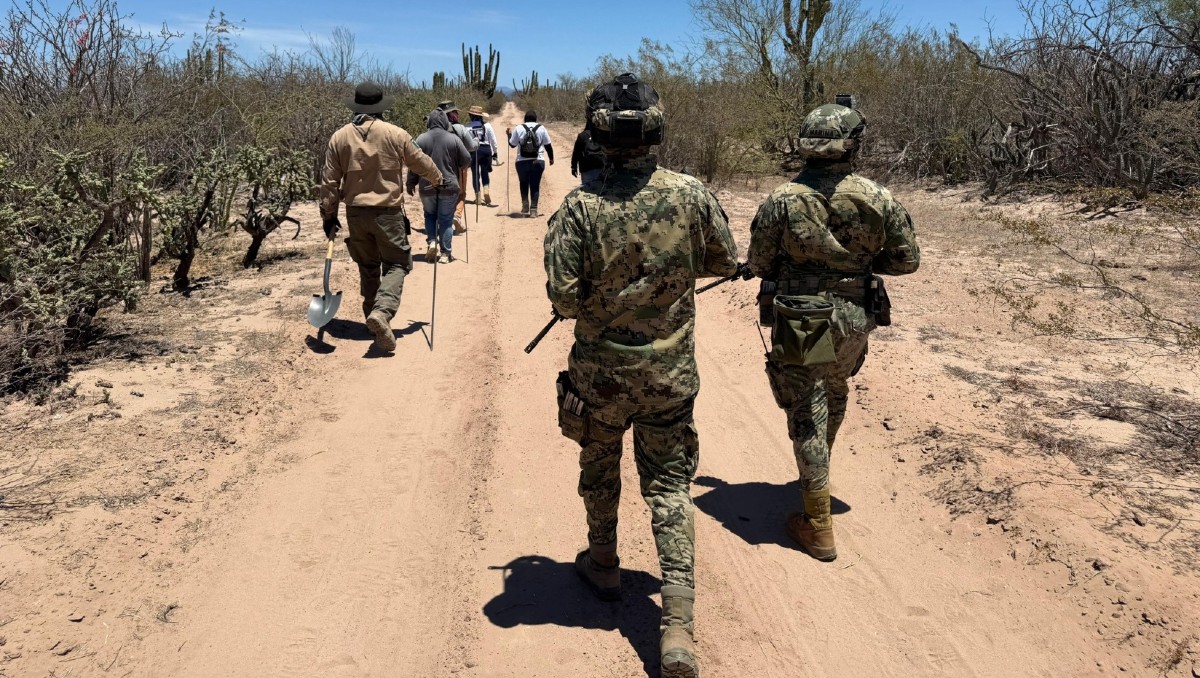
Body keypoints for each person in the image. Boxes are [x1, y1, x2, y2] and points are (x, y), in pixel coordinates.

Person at [544, 73, 738, 678]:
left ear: (597, 132)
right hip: (670, 377)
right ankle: (676, 625)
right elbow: (723, 259)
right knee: (670, 487)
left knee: (598, 466)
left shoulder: (579, 208)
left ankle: (603, 562)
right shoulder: (691, 193)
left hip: (599, 377)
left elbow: (565, 299)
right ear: (656, 128)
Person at [746, 100, 921, 562]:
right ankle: (818, 474)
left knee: (805, 405)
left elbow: (760, 262)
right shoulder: (877, 196)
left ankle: (817, 523)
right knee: (835, 387)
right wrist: (859, 265)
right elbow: (906, 260)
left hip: (803, 313)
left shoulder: (783, 198)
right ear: (852, 147)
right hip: (855, 312)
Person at [320, 81, 443, 353]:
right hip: (387, 213)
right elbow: (420, 161)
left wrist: (328, 216)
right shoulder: (395, 133)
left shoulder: (338, 137)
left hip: (355, 213)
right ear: (381, 108)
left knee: (368, 266)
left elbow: (329, 183)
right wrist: (439, 180)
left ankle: (372, 318)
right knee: (398, 264)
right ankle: (382, 313)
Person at [406, 108, 470, 264]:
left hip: (426, 186)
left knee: (430, 215)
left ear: (429, 122)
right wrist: (458, 165)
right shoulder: (453, 139)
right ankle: (445, 253)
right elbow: (466, 159)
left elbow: (413, 163)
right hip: (449, 187)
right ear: (445, 122)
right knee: (446, 219)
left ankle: (432, 242)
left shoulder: (420, 139)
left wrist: (410, 182)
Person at [438, 101, 479, 233]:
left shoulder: (434, 129)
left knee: (442, 193)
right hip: (459, 167)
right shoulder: (460, 128)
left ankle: (443, 220)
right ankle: (457, 215)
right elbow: (471, 146)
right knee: (460, 193)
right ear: (453, 114)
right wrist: (477, 142)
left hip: (439, 167)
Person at [507, 111, 554, 217]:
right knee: (535, 184)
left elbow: (512, 144)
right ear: (535, 119)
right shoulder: (541, 128)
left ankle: (525, 205)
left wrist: (509, 135)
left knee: (523, 182)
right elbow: (548, 145)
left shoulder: (519, 128)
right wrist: (551, 158)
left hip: (521, 161)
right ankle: (533, 210)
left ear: (525, 119)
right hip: (538, 160)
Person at [466, 105, 499, 206]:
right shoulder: (487, 126)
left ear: (471, 115)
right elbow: (493, 140)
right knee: (485, 172)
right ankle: (486, 190)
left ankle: (478, 196)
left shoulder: (467, 127)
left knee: (475, 174)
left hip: (474, 151)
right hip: (486, 150)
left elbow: (466, 141)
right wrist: (495, 152)